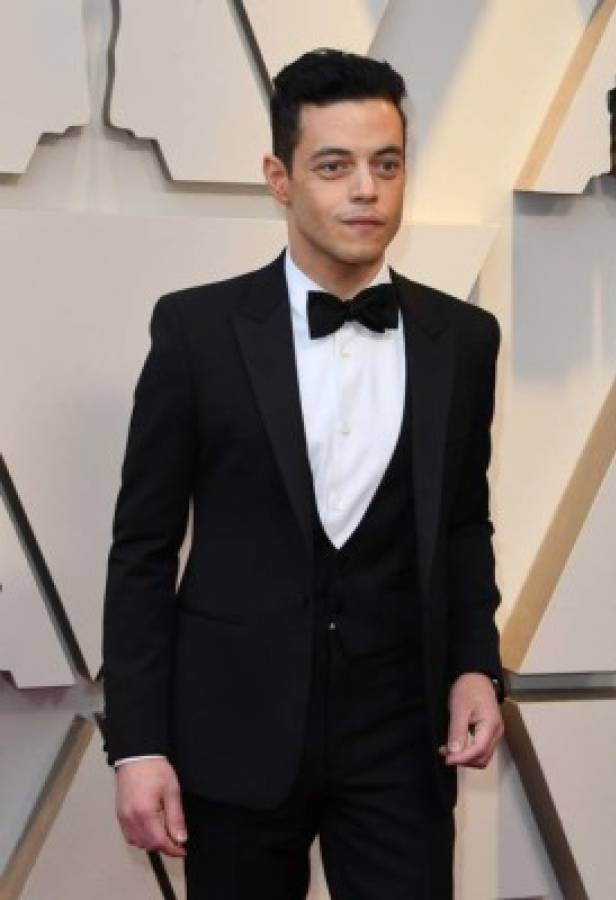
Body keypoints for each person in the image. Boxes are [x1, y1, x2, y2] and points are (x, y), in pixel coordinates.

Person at [102, 48, 505, 899]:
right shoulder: (196, 333)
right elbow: (141, 549)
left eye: (385, 164)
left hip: (403, 744)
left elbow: (463, 524)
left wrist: (476, 665)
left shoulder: (463, 340)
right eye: (334, 165)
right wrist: (137, 745)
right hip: (234, 738)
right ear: (278, 178)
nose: (366, 189)